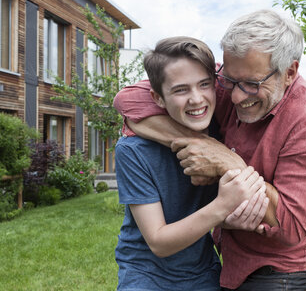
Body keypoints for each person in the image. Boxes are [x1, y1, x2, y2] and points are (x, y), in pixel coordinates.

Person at [114, 10, 306, 291]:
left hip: (280, 272)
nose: (234, 96)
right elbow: (128, 99)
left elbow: (292, 227)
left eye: (251, 85)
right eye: (229, 80)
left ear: (289, 72)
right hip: (224, 262)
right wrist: (202, 144)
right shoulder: (225, 82)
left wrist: (230, 163)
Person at [114, 36, 267, 291]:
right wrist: (222, 206)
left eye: (204, 85)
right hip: (145, 276)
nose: (196, 99)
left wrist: (237, 216)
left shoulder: (222, 130)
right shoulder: (134, 150)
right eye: (180, 89)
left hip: (203, 271)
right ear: (158, 97)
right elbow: (158, 241)